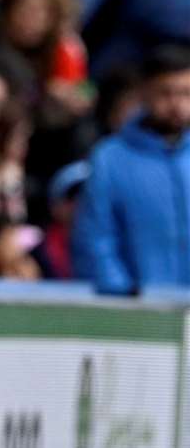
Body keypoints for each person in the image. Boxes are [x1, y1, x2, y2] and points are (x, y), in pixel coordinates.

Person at [72, 45, 190, 293]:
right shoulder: (111, 158)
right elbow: (96, 237)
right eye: (166, 93)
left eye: (186, 93)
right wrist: (121, 294)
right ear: (144, 93)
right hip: (141, 314)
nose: (177, 104)